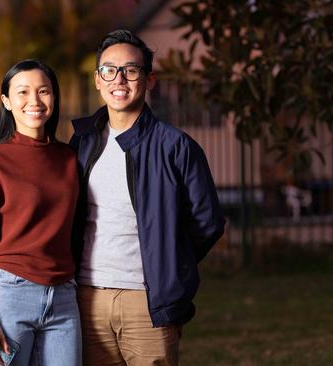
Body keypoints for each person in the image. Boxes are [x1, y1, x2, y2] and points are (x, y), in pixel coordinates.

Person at [70, 30, 226, 365]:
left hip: (148, 302)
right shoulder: (81, 143)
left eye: (131, 70)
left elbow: (208, 222)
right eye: (109, 70)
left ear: (149, 79)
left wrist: (170, 262)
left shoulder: (175, 146)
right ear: (98, 80)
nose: (119, 79)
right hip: (87, 297)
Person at [0, 59, 81, 366]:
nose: (35, 101)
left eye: (44, 91)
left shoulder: (69, 158)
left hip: (64, 298)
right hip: (10, 296)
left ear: (54, 98)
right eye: (23, 92)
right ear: (6, 101)